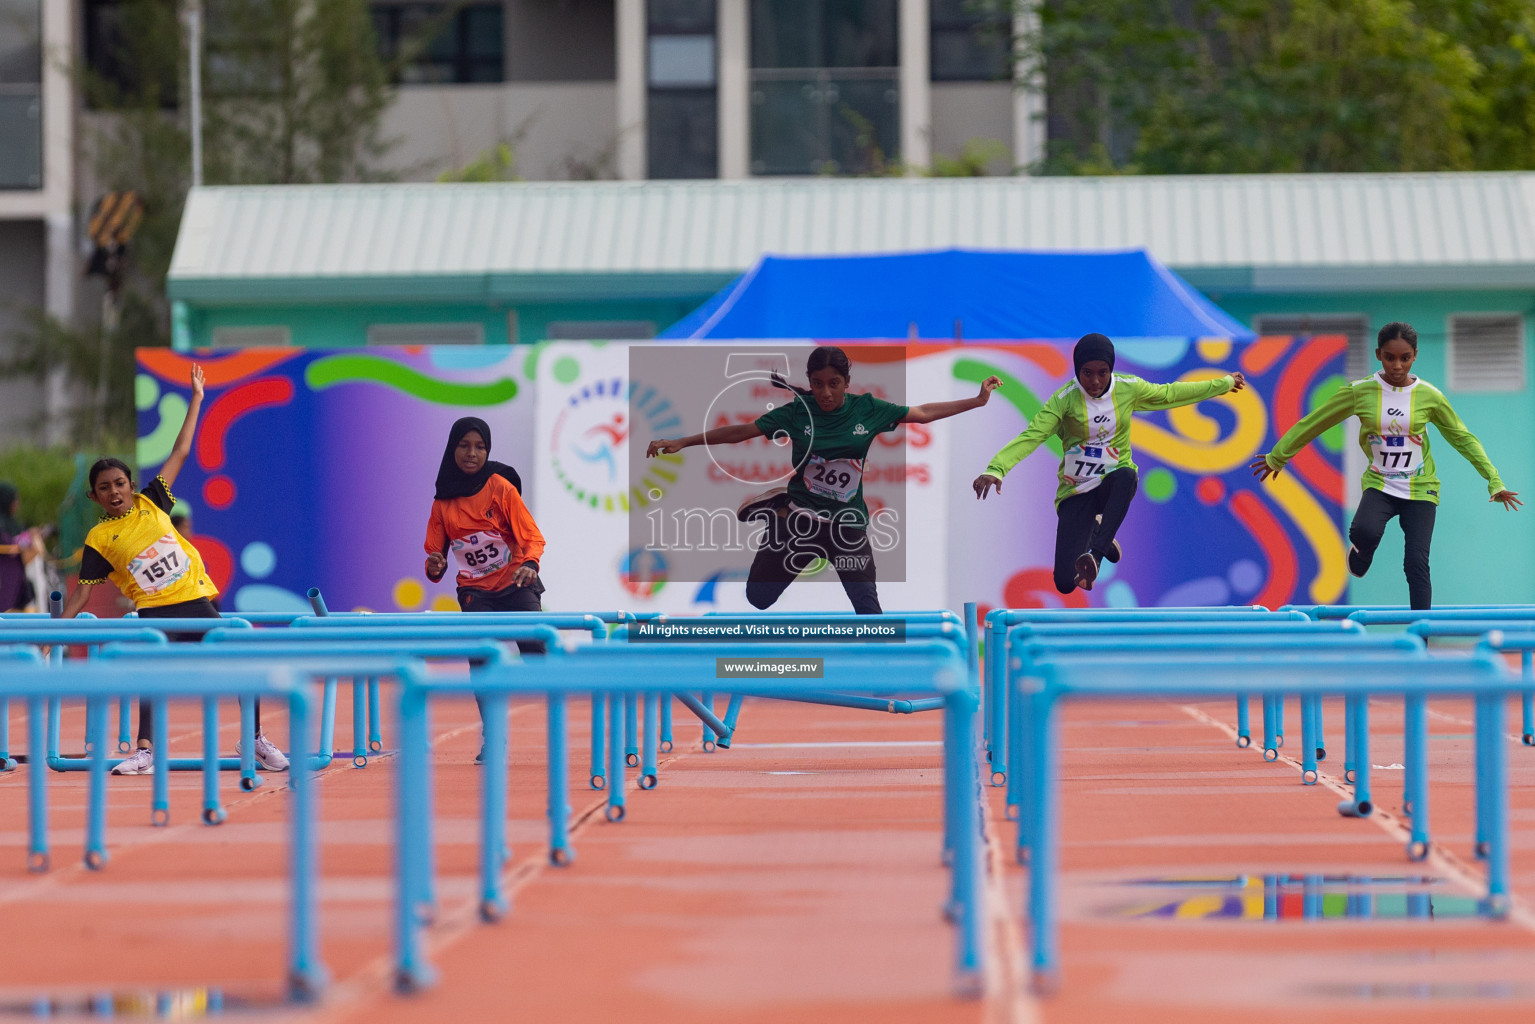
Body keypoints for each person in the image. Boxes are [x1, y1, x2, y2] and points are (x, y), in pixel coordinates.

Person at [646, 345, 1002, 613]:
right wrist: (684, 441)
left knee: (868, 609)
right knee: (759, 598)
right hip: (799, 524)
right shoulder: (798, 412)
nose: (826, 393)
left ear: (848, 382)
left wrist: (977, 400)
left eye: (834, 384)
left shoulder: (868, 409)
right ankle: (778, 510)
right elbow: (742, 431)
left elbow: (922, 413)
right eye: (817, 384)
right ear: (810, 384)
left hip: (846, 527)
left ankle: (884, 676)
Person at [62, 365, 289, 775]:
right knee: (150, 676)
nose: (113, 491)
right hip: (154, 612)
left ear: (131, 485)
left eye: (119, 483)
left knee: (243, 662)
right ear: (94, 496)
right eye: (104, 488)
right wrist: (51, 639)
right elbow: (81, 594)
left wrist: (198, 397)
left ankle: (252, 739)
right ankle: (146, 751)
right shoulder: (99, 538)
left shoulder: (153, 502)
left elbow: (181, 451)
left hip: (196, 604)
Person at [1251, 321, 1519, 610]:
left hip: (1421, 490)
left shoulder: (1430, 396)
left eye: (1405, 358)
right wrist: (1278, 456)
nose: (1397, 366)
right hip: (1381, 484)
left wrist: (1494, 480)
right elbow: (1315, 422)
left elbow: (1463, 438)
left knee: (1416, 563)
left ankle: (1421, 639)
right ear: (1379, 354)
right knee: (1363, 532)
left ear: (1415, 355)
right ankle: (1363, 553)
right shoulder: (1360, 391)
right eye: (1390, 357)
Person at [974, 333, 1246, 593]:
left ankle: (1096, 552)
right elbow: (1032, 435)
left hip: (1111, 483)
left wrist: (1223, 383)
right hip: (1076, 491)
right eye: (1087, 373)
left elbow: (1171, 393)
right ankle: (1095, 531)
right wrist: (997, 468)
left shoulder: (1129, 389)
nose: (1094, 381)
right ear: (1077, 370)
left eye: (1102, 373)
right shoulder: (1063, 401)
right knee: (1065, 583)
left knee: (1127, 475)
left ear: (1111, 370)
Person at [423, 416, 546, 764]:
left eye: (480, 447)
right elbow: (435, 557)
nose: (472, 453)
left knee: (537, 651)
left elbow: (532, 536)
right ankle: (493, 736)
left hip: (516, 580)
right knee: (479, 658)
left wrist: (530, 564)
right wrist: (435, 566)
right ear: (452, 449)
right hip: (475, 589)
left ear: (488, 450)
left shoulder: (500, 487)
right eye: (464, 446)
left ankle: (561, 717)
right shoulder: (442, 502)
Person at [0, 482, 38, 612]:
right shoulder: (2, 524)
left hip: (17, 577)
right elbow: (9, 545)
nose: (17, 503)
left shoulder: (13, 523)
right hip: (5, 577)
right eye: (14, 499)